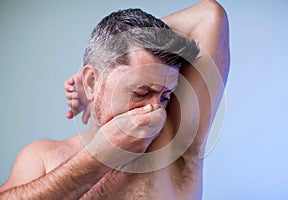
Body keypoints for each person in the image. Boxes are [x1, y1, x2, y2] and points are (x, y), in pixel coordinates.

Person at [0, 0, 229, 199]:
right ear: (92, 83)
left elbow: (210, 15)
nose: (155, 110)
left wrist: (132, 43)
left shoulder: (173, 147)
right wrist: (100, 157)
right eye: (141, 92)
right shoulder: (43, 156)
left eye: (166, 96)